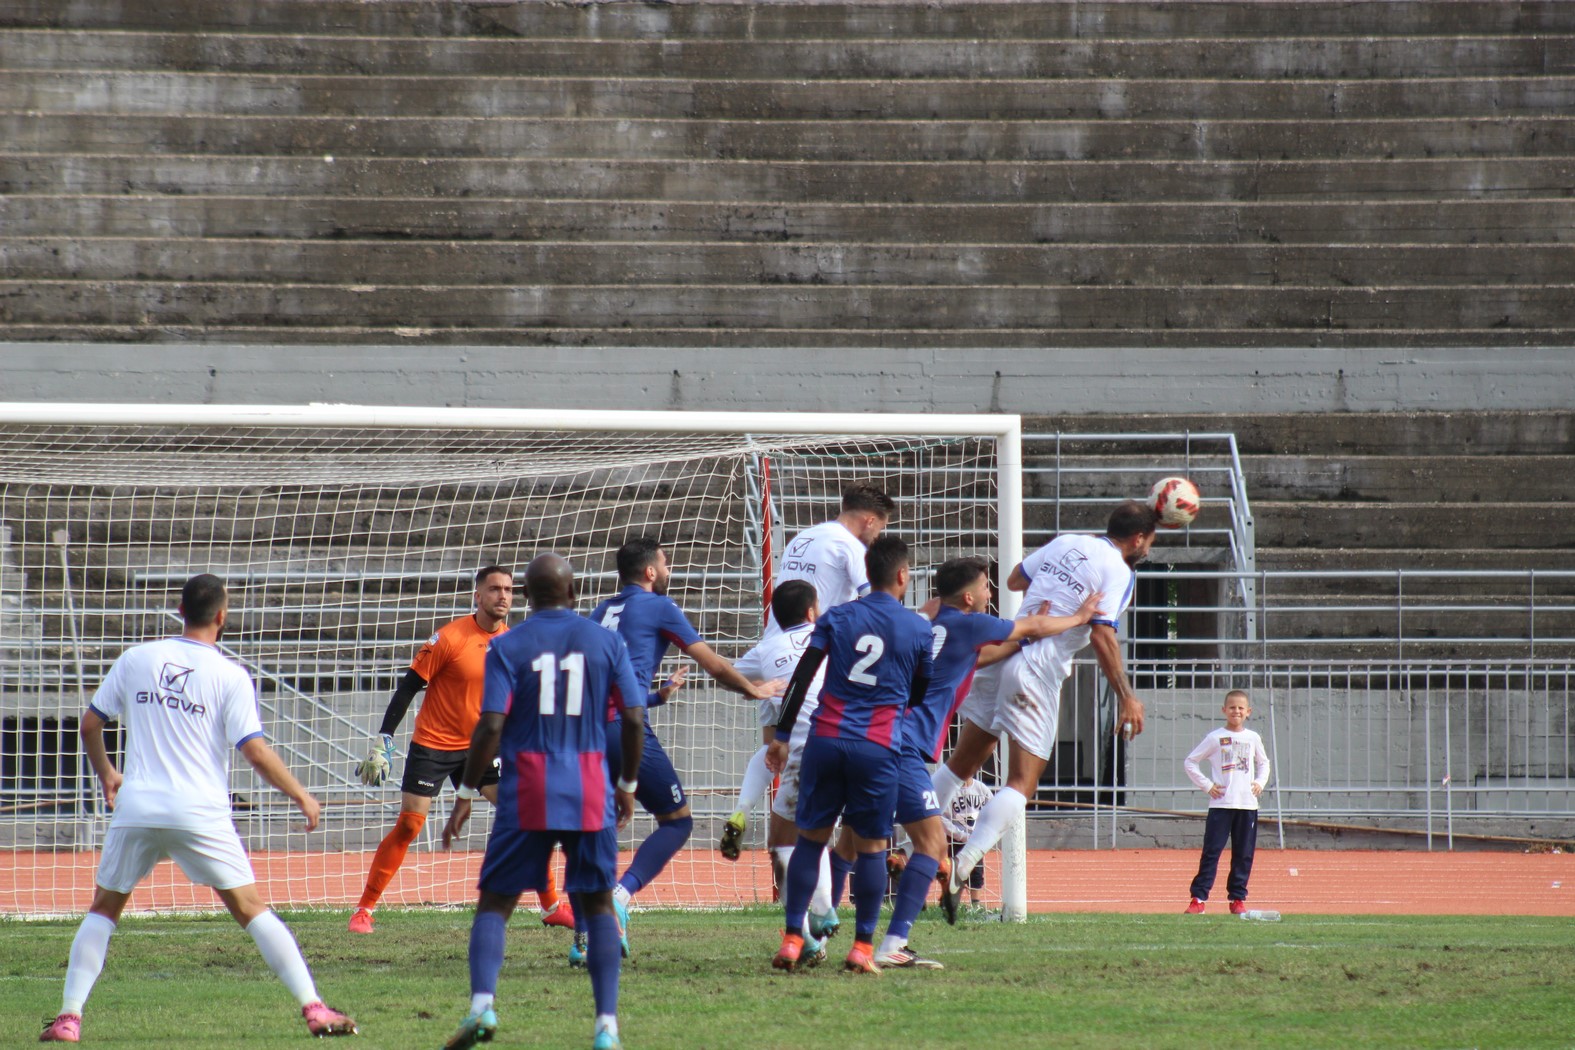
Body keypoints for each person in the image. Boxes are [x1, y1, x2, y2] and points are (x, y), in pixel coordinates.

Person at [40, 574, 356, 1043]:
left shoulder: (137, 658)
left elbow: (90, 725)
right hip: (200, 813)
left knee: (104, 909)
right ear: (222, 617)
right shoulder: (229, 675)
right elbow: (255, 753)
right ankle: (313, 1008)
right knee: (251, 909)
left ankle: (69, 1018)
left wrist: (108, 773)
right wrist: (302, 795)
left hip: (138, 808)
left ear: (180, 610)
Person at [438, 554, 645, 1050]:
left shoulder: (507, 646)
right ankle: (606, 1029)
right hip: (590, 786)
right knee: (597, 905)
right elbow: (634, 718)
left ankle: (483, 1006)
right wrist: (628, 785)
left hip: (527, 786)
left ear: (525, 599)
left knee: (496, 902)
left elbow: (490, 725)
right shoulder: (606, 640)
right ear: (573, 595)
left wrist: (466, 791)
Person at [877, 557, 1102, 966]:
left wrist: (1020, 642)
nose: (991, 593)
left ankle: (811, 933)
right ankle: (892, 941)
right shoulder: (970, 623)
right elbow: (1031, 626)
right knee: (933, 845)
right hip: (903, 744)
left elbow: (977, 658)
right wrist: (1081, 616)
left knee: (853, 840)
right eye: (985, 587)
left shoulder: (932, 626)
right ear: (968, 596)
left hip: (874, 733)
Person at [938, 500, 1158, 911]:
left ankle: (908, 841)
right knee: (1023, 783)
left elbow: (1015, 579)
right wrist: (1128, 697)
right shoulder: (1120, 573)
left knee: (962, 763)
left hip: (1003, 654)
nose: (1147, 549)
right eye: (1149, 542)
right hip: (1036, 668)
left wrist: (1058, 585)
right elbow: (1102, 635)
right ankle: (963, 863)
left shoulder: (1068, 540)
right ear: (1139, 538)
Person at [583, 536, 777, 962]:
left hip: (584, 733)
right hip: (623, 730)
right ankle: (620, 895)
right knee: (676, 822)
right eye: (666, 564)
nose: (669, 571)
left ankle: (585, 934)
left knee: (597, 827)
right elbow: (713, 664)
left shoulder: (602, 611)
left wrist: (656, 697)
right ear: (650, 571)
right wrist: (753, 689)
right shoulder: (660, 607)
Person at [349, 566, 569, 934]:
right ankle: (364, 910)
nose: (503, 596)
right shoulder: (449, 639)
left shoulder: (514, 644)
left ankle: (552, 906)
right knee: (409, 824)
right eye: (495, 589)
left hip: (483, 746)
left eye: (509, 590)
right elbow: (407, 689)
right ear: (478, 596)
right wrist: (385, 738)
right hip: (434, 743)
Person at [767, 535, 934, 974]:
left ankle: (791, 938)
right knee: (873, 846)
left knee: (810, 840)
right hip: (877, 746)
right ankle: (862, 948)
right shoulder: (918, 627)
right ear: (902, 576)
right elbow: (921, 689)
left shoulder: (837, 617)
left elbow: (804, 673)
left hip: (825, 739)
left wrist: (782, 734)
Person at [720, 482, 895, 859]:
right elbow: (874, 602)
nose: (877, 536)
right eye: (879, 528)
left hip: (771, 653)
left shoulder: (803, 537)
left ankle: (744, 811)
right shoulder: (851, 547)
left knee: (771, 749)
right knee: (817, 767)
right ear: (868, 520)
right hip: (816, 660)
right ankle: (815, 872)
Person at [725, 581, 838, 935]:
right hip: (850, 738)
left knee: (786, 843)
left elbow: (729, 674)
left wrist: (756, 689)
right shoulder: (834, 636)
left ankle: (815, 920)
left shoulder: (767, 648)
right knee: (837, 836)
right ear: (811, 612)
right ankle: (836, 927)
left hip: (802, 748)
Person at [1183, 690, 1271, 915]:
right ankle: (1199, 898)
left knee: (1243, 854)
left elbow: (1264, 763)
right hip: (1221, 806)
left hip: (1247, 806)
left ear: (1248, 712)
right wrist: (1207, 785)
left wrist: (1260, 782)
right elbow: (1190, 762)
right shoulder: (1215, 737)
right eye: (1232, 707)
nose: (1236, 711)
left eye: (1241, 708)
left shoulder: (1253, 738)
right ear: (1224, 710)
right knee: (1212, 851)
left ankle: (1237, 898)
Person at [943, 776, 995, 914]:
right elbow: (942, 818)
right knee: (955, 871)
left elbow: (992, 809)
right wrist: (960, 835)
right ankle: (951, 902)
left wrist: (983, 833)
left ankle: (975, 905)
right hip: (956, 839)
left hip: (976, 840)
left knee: (976, 871)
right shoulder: (950, 791)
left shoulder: (981, 789)